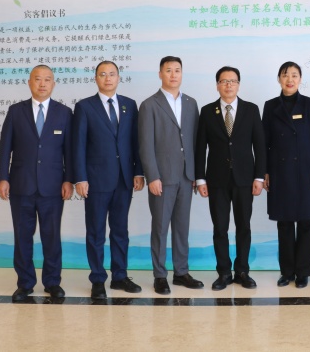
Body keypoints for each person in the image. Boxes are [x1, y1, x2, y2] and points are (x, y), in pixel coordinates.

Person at [0, 64, 73, 302]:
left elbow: (70, 152)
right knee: (22, 236)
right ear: (29, 83)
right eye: (37, 79)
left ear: (53, 84)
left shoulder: (64, 113)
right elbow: (4, 148)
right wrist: (2, 177)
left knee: (52, 236)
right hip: (21, 185)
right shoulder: (15, 111)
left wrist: (69, 179)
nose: (42, 84)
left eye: (47, 79)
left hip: (53, 187)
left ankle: (52, 282)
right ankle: (25, 283)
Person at [72, 61, 144, 300]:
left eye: (112, 74)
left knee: (120, 230)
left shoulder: (129, 105)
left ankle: (120, 276)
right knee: (95, 232)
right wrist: (80, 178)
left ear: (118, 77)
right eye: (102, 74)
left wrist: (138, 172)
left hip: (124, 179)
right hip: (95, 180)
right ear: (96, 78)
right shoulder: (84, 107)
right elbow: (78, 145)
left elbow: (135, 141)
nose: (108, 78)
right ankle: (97, 279)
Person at [196, 66, 266, 290]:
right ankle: (224, 273)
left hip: (245, 179)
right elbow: (200, 148)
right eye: (224, 81)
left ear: (239, 84)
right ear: (217, 85)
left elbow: (260, 146)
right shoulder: (207, 111)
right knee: (220, 228)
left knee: (244, 226)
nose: (228, 85)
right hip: (216, 180)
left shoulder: (251, 109)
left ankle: (242, 271)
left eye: (233, 81)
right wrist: (200, 179)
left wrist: (259, 177)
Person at [139, 56, 204, 294]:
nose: (173, 75)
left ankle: (181, 272)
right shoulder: (149, 105)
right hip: (162, 178)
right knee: (160, 228)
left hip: (186, 176)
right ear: (160, 74)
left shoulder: (191, 103)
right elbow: (145, 145)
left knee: (181, 227)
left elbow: (195, 141)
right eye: (168, 70)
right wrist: (152, 176)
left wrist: (195, 174)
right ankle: (159, 275)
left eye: (177, 70)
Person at [262, 61, 310, 288]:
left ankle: (303, 272)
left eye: (294, 75)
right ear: (279, 79)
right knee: (284, 223)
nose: (289, 79)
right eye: (285, 75)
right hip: (280, 173)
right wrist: (265, 172)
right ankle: (287, 272)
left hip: (307, 173)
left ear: (300, 79)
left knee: (306, 222)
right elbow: (264, 143)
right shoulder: (270, 106)